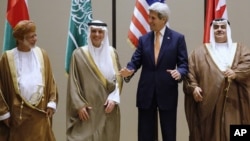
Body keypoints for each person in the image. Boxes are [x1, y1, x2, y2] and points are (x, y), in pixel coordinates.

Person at [119, 2, 188, 141]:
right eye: (149, 17)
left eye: (153, 18)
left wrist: (179, 72)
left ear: (164, 19)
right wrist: (129, 71)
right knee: (145, 135)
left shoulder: (177, 39)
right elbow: (135, 62)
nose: (149, 21)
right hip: (146, 93)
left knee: (169, 134)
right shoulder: (143, 39)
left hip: (167, 93)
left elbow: (184, 64)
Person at [183, 18, 250, 141]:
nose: (219, 29)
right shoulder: (199, 53)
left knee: (236, 134)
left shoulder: (240, 49)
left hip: (235, 105)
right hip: (208, 106)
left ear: (228, 30)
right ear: (211, 31)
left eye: (222, 27)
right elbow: (189, 72)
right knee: (210, 135)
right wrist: (194, 87)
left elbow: (248, 65)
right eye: (216, 27)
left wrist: (236, 73)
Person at [0, 20, 58, 141]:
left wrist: (52, 102)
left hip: (40, 115)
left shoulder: (42, 54)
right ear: (20, 39)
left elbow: (51, 81)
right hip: (18, 118)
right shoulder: (8, 58)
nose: (35, 39)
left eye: (35, 35)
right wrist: (3, 112)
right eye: (31, 37)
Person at [66, 20, 123, 141]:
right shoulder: (79, 54)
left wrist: (114, 99)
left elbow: (118, 79)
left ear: (104, 34)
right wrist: (79, 105)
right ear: (89, 33)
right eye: (94, 31)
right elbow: (73, 83)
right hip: (88, 110)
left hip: (108, 108)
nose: (97, 34)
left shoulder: (112, 53)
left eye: (100, 32)